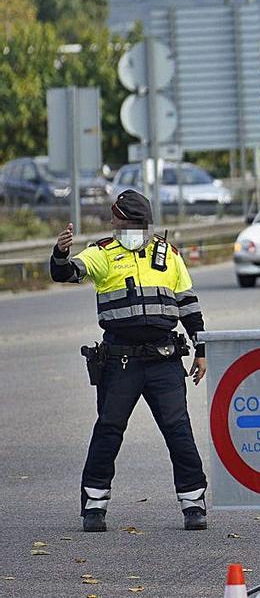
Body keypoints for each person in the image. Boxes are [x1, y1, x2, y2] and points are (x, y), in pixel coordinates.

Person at [50, 190, 209, 533]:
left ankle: (194, 503)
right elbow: (67, 273)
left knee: (178, 431)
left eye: (126, 223)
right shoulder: (103, 253)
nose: (119, 227)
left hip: (164, 359)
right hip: (120, 361)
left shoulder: (169, 255)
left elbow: (189, 305)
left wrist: (202, 349)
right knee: (108, 431)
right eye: (118, 222)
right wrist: (60, 253)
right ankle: (94, 507)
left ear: (142, 224)